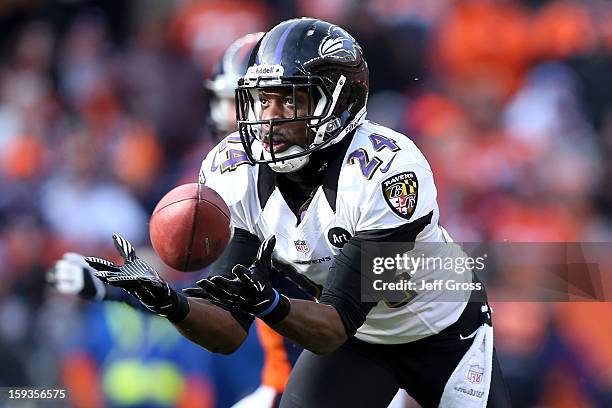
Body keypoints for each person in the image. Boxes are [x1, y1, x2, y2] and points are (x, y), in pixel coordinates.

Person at [84, 18, 512, 407]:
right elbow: (230, 332)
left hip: (443, 330)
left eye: (289, 103)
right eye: (261, 101)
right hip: (361, 341)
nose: (269, 119)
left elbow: (334, 324)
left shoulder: (386, 170)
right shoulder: (233, 174)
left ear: (340, 102)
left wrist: (270, 303)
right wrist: (171, 303)